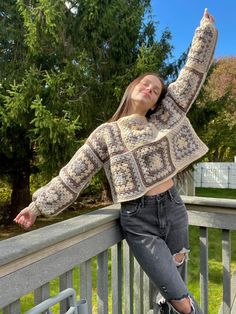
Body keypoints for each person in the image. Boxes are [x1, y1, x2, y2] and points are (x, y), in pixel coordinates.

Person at [14, 9, 217, 314]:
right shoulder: (105, 134)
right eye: (145, 83)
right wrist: (37, 206)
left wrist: (205, 32)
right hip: (139, 220)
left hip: (174, 211)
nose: (149, 89)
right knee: (181, 299)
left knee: (175, 283)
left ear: (156, 102)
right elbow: (73, 176)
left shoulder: (162, 118)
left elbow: (190, 77)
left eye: (156, 90)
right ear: (132, 87)